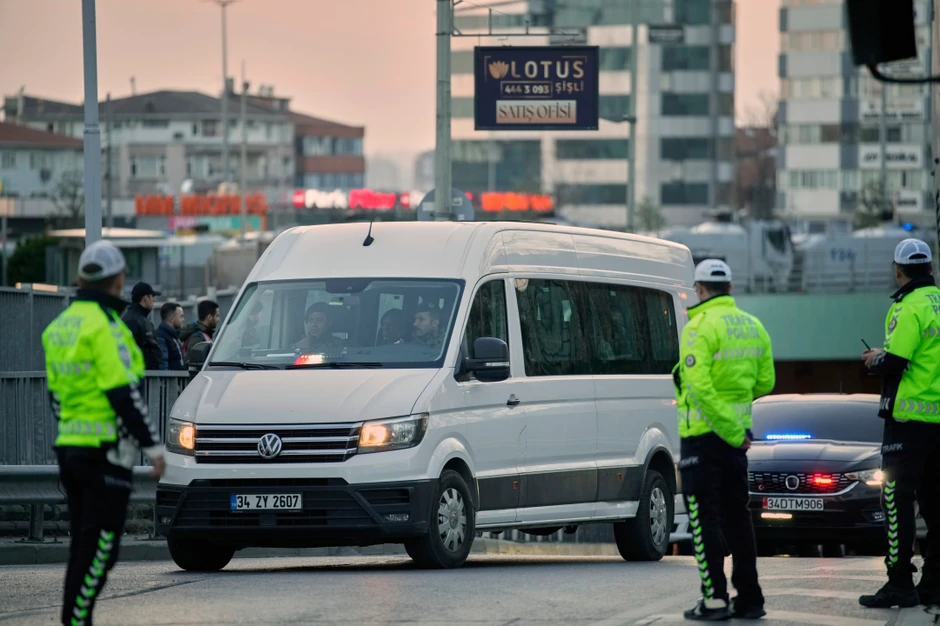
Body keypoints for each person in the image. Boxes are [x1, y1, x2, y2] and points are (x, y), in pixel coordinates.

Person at [42, 240, 166, 626]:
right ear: (119, 280)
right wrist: (154, 447)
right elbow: (122, 393)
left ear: (80, 278)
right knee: (100, 551)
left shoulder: (60, 326)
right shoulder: (106, 329)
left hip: (70, 448)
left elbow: (56, 395)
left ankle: (77, 619)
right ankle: (77, 620)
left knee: (82, 545)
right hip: (105, 453)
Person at [673, 259, 775, 621]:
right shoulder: (753, 326)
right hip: (738, 442)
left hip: (703, 438)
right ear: (730, 288)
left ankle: (714, 599)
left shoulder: (698, 326)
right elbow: (766, 382)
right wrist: (736, 423)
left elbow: (698, 386)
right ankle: (750, 599)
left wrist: (727, 429)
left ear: (699, 289)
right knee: (738, 519)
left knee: (703, 520)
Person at [859, 238, 940, 609]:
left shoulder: (909, 307)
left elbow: (896, 361)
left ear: (898, 269)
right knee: (936, 503)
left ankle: (899, 582)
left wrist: (874, 358)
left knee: (895, 499)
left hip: (908, 422)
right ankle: (935, 581)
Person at [121, 282, 162, 371]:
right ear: (145, 298)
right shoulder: (132, 321)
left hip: (148, 376)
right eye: (152, 296)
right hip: (141, 376)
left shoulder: (142, 319)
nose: (154, 300)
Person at [156, 302, 186, 371]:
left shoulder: (174, 336)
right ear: (172, 318)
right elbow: (163, 364)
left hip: (178, 380)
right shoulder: (161, 337)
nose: (183, 319)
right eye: (181, 316)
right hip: (171, 381)